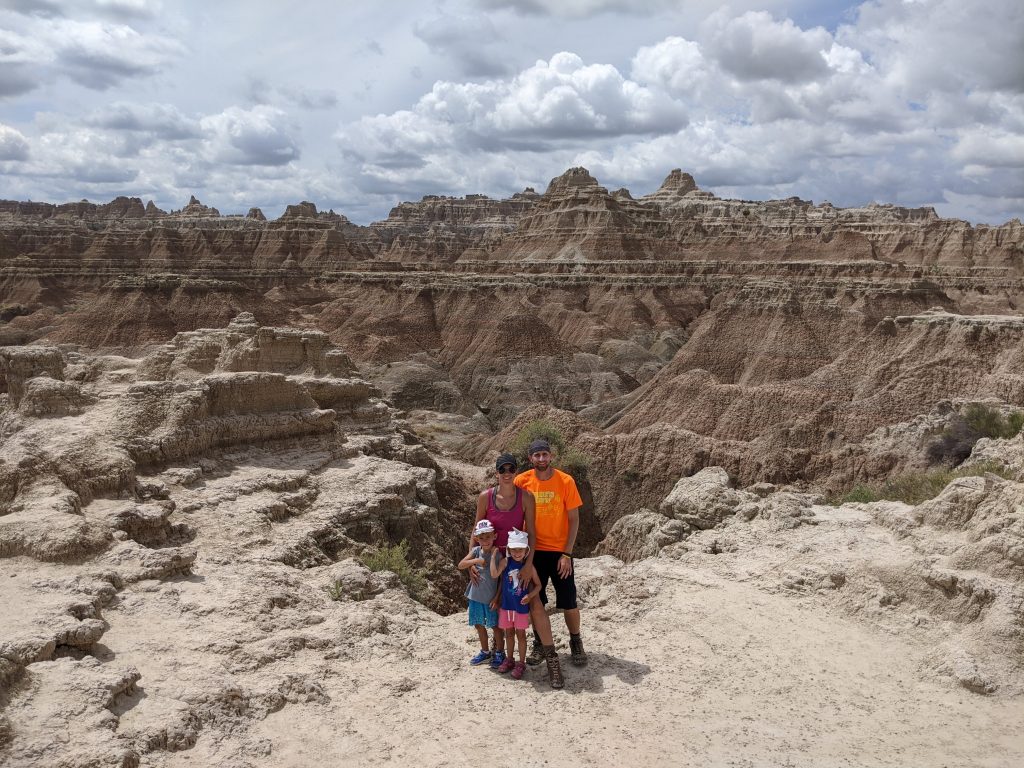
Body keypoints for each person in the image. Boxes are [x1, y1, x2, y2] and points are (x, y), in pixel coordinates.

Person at [514, 438, 588, 674]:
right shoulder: (522, 481)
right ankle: (540, 643)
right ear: (530, 458)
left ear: (551, 456)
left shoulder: (565, 481)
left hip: (559, 552)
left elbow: (574, 519)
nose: (542, 459)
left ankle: (575, 641)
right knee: (537, 601)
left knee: (569, 600)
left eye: (545, 455)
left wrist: (567, 553)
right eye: (537, 456)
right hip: (533, 551)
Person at [489, 528, 541, 680]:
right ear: (509, 550)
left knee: (521, 635)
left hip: (521, 608)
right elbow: (495, 576)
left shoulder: (529, 567)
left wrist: (530, 596)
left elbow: (538, 585)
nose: (517, 553)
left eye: (520, 549)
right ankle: (509, 659)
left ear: (526, 550)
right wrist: (493, 557)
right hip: (506, 606)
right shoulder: (506, 562)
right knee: (509, 633)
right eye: (514, 549)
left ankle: (521, 663)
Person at [458, 519, 504, 668]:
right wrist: (475, 560)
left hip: (490, 598)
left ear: (494, 536)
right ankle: (485, 652)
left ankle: (499, 653)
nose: (485, 540)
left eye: (488, 537)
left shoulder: (497, 555)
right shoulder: (476, 551)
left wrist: (497, 598)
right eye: (481, 538)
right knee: (479, 625)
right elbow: (461, 565)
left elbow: (502, 579)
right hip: (475, 597)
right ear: (477, 539)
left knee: (495, 626)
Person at [471, 452, 535, 553]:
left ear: (516, 472)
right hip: (489, 559)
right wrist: (472, 559)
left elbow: (531, 533)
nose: (507, 473)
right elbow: (476, 529)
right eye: (502, 470)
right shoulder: (485, 497)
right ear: (497, 473)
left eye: (511, 469)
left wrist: (528, 563)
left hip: (515, 558)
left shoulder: (527, 498)